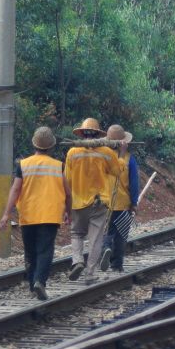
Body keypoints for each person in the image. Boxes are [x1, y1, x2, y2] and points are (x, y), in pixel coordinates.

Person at [0, 126, 65, 301]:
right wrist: (69, 211)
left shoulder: (23, 165)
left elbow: (15, 189)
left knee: (30, 252)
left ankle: (31, 285)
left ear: (34, 144)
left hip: (28, 215)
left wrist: (6, 214)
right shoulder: (59, 166)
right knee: (45, 250)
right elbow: (68, 192)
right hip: (50, 215)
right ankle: (39, 282)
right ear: (51, 147)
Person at [64, 117, 121, 284]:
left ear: (81, 134)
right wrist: (121, 153)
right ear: (98, 134)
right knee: (95, 238)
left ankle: (77, 261)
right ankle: (90, 273)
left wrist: (65, 206)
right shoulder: (107, 152)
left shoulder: (72, 153)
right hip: (100, 201)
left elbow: (67, 180)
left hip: (78, 201)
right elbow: (117, 172)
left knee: (77, 233)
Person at [102, 124, 139, 273]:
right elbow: (134, 183)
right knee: (121, 234)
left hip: (104, 203)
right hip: (123, 203)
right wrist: (134, 203)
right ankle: (117, 264)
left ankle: (106, 248)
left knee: (106, 231)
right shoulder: (130, 159)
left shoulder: (102, 157)